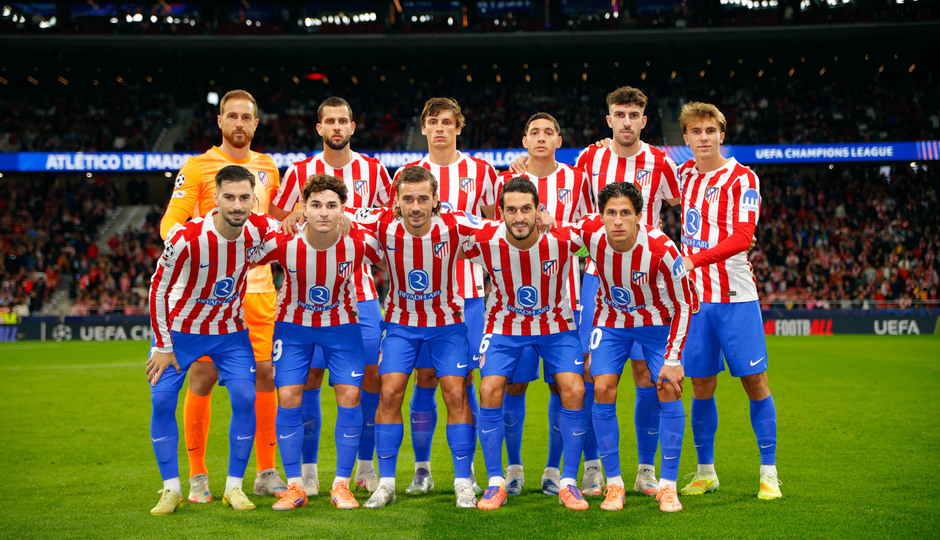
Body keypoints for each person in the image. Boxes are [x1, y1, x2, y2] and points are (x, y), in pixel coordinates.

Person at [511, 86, 681, 495]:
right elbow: (567, 196)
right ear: (609, 120)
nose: (626, 121)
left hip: (647, 281)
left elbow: (683, 206)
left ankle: (644, 471)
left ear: (644, 119)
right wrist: (524, 166)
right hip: (597, 277)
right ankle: (592, 467)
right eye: (619, 114)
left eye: (634, 114)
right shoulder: (589, 158)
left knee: (646, 375)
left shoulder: (660, 160)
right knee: (590, 376)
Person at [160, 90, 289, 503]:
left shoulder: (269, 167)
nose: (239, 123)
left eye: (246, 117)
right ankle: (198, 477)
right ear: (219, 121)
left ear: (255, 123)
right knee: (202, 376)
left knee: (266, 376)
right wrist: (206, 256)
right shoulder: (197, 167)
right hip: (209, 299)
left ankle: (266, 472)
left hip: (261, 294)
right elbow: (170, 224)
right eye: (231, 116)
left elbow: (277, 226)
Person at [273, 97, 393, 495]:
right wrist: (288, 216)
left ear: (353, 127)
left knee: (367, 379)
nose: (337, 127)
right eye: (330, 121)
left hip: (359, 295)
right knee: (307, 378)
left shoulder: (373, 169)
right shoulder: (301, 170)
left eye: (344, 120)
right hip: (305, 299)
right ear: (319, 127)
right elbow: (280, 219)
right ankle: (307, 471)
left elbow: (389, 220)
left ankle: (363, 465)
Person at [147, 165, 278, 514]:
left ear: (254, 200)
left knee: (244, 397)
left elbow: (295, 231)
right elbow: (157, 288)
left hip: (229, 334)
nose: (237, 205)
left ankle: (234, 487)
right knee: (161, 402)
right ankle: (171, 488)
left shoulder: (260, 229)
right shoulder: (186, 238)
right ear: (215, 199)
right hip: (180, 334)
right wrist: (162, 345)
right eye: (229, 197)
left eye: (244, 198)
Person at [355, 166, 481, 509]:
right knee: (390, 392)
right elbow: (340, 213)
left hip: (447, 324)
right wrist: (295, 216)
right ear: (396, 200)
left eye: (423, 199)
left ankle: (462, 482)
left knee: (456, 394)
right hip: (400, 324)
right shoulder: (381, 223)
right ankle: (387, 483)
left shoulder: (455, 225)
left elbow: (498, 230)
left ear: (435, 200)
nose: (415, 206)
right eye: (408, 199)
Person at [256, 174, 384, 511]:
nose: (323, 212)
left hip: (342, 327)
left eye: (331, 205)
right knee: (288, 395)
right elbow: (242, 259)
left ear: (343, 210)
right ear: (303, 209)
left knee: (351, 395)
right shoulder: (283, 242)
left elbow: (397, 254)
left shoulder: (360, 243)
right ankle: (296, 485)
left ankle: (341, 485)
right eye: (315, 205)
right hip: (293, 327)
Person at [564, 182, 693, 512]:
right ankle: (615, 484)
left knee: (668, 386)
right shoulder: (590, 234)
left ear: (639, 217)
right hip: (612, 323)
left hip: (657, 326)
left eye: (625, 213)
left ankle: (668, 486)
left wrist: (674, 358)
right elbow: (559, 234)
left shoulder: (663, 250)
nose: (618, 221)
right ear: (601, 215)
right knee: (602, 387)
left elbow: (684, 303)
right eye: (611, 213)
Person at [675, 102, 781, 500]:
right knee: (701, 384)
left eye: (709, 130)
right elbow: (639, 177)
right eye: (695, 131)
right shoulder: (683, 174)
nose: (703, 138)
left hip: (735, 296)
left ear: (722, 134)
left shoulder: (742, 177)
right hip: (695, 302)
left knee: (755, 381)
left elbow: (742, 237)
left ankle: (769, 472)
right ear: (685, 138)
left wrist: (693, 259)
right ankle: (706, 472)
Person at [392, 97, 496, 496]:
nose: (439, 128)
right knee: (423, 377)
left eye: (447, 122)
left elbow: (491, 228)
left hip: (467, 294)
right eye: (432, 122)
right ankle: (422, 470)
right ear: (423, 128)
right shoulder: (406, 174)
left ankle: (464, 471)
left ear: (458, 127)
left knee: (462, 381)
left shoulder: (481, 170)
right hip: (416, 300)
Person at [466, 176, 589, 511]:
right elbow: (448, 245)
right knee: (490, 389)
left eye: (526, 209)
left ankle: (568, 481)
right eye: (511, 210)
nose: (518, 216)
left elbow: (593, 247)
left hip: (555, 325)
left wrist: (559, 224)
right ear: (500, 213)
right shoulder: (485, 240)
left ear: (539, 211)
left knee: (575, 390)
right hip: (505, 325)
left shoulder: (562, 239)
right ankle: (496, 481)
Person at [493, 113, 591, 496]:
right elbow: (493, 234)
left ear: (559, 140)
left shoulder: (576, 180)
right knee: (513, 386)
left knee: (561, 387)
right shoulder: (509, 179)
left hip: (566, 304)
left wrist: (558, 229)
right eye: (534, 131)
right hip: (513, 306)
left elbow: (589, 241)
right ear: (524, 139)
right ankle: (514, 467)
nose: (541, 137)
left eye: (549, 132)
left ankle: (553, 469)